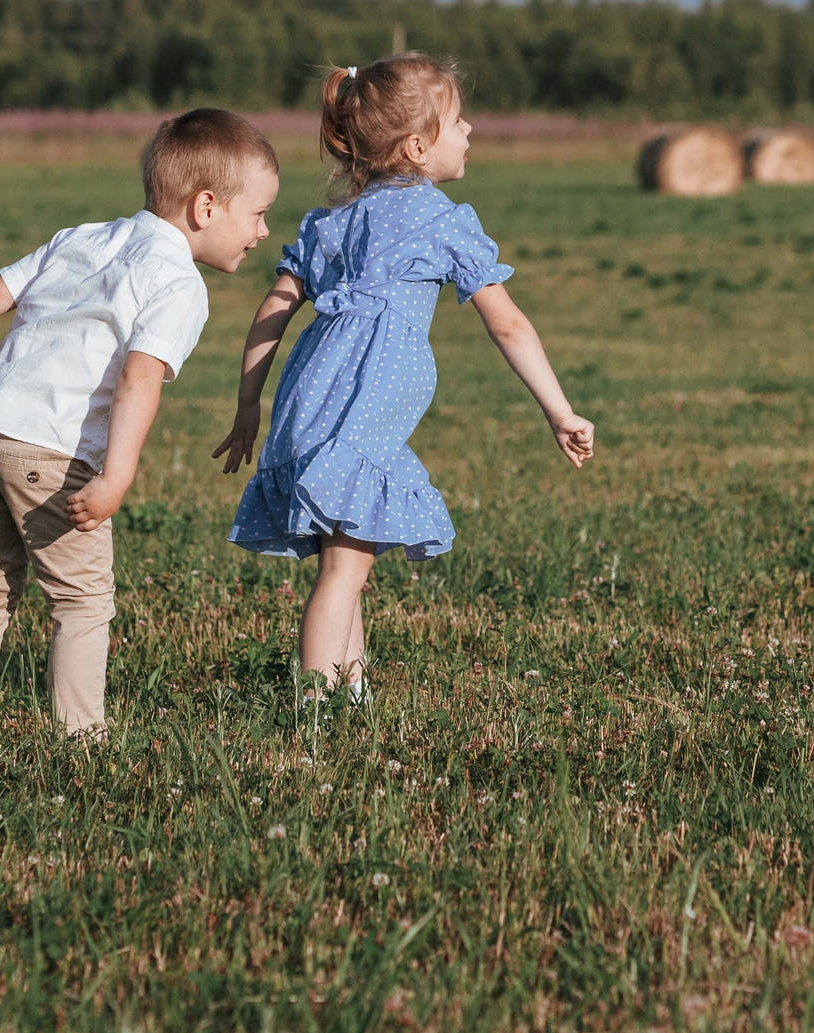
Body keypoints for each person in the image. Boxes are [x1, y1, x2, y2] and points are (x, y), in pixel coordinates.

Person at [0, 108, 280, 737]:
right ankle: (79, 741)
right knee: (81, 601)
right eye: (257, 214)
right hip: (50, 452)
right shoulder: (177, 281)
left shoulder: (81, 238)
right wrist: (116, 476)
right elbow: (139, 377)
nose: (263, 231)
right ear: (206, 207)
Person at [214, 54, 593, 701]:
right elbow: (508, 324)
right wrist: (560, 410)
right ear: (417, 147)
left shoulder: (329, 222)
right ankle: (312, 709)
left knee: (348, 561)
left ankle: (352, 694)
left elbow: (274, 307)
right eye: (458, 120)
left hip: (310, 399)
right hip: (365, 411)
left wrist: (250, 402)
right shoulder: (441, 219)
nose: (470, 129)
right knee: (342, 571)